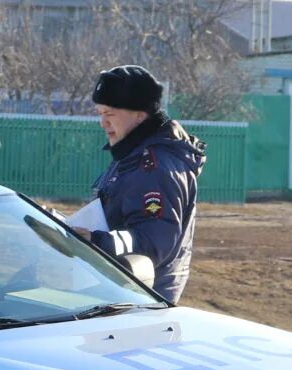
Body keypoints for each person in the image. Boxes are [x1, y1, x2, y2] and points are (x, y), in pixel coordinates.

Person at [78, 64, 206, 303]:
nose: (103, 123)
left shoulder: (155, 168)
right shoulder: (131, 155)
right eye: (100, 114)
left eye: (111, 114)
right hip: (120, 291)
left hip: (142, 300)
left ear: (140, 114)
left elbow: (153, 243)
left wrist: (95, 241)